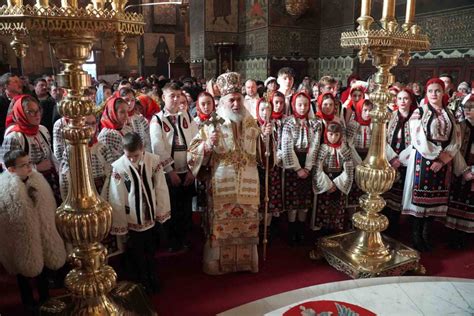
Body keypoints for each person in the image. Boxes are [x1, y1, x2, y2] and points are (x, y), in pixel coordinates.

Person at [187, 72, 265, 274]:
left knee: (248, 224)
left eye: (239, 100)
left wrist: (268, 138)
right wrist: (207, 145)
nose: (236, 104)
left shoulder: (252, 123)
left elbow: (263, 154)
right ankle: (216, 265)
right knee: (220, 227)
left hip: (248, 184)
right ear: (223, 101)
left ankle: (247, 263)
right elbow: (192, 154)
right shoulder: (212, 124)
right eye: (231, 100)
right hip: (223, 185)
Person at [0, 149, 66, 312]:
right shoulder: (5, 190)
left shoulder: (39, 180)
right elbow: (5, 220)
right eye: (23, 165)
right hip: (20, 239)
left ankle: (45, 299)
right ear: (11, 169)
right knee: (23, 273)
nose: (29, 167)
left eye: (29, 163)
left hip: (42, 234)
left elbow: (49, 206)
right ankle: (28, 303)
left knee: (42, 271)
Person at [400, 78, 461, 252]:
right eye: (430, 91)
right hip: (423, 157)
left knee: (436, 199)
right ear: (426, 93)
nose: (434, 94)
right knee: (420, 199)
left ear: (443, 93)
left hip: (444, 160)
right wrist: (435, 155)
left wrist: (443, 160)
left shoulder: (450, 114)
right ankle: (415, 236)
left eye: (438, 91)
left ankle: (426, 235)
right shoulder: (420, 111)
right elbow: (417, 136)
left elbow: (457, 138)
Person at [108, 132, 171, 293]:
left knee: (150, 250)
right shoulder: (119, 167)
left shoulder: (153, 161)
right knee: (137, 252)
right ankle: (142, 279)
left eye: (135, 156)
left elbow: (161, 187)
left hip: (150, 216)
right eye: (128, 156)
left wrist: (161, 211)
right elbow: (117, 198)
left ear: (142, 148)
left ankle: (152, 276)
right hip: (133, 219)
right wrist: (121, 224)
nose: (132, 160)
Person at [150, 82, 198, 252]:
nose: (176, 99)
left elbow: (196, 142)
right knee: (170, 207)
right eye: (172, 96)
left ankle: (184, 238)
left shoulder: (187, 116)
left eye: (179, 96)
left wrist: (193, 169)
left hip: (187, 170)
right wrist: (170, 171)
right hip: (168, 173)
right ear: (164, 98)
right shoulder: (157, 119)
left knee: (185, 207)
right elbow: (158, 147)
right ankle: (171, 241)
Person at [1, 95, 61, 205]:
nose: (37, 115)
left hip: (49, 180)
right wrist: (36, 167)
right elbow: (7, 168)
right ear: (21, 114)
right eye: (31, 112)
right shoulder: (14, 137)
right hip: (27, 186)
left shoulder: (42, 129)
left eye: (38, 110)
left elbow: (50, 154)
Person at [281, 92, 322, 245]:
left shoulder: (315, 123)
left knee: (304, 201)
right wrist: (298, 168)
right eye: (299, 104)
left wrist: (308, 167)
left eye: (306, 104)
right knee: (293, 201)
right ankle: (292, 230)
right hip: (294, 162)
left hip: (308, 162)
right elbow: (287, 146)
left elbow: (315, 146)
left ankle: (301, 229)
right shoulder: (289, 123)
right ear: (294, 105)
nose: (303, 107)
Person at [383, 88, 417, 234]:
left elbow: (418, 141)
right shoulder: (391, 116)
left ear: (411, 100)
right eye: (400, 98)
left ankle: (395, 227)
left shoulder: (416, 117)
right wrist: (392, 157)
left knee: (400, 194)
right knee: (386, 192)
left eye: (406, 98)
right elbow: (383, 138)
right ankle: (384, 225)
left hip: (407, 161)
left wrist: (401, 159)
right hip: (390, 159)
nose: (402, 102)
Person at [312, 122, 353, 234]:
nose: (333, 138)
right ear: (326, 134)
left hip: (339, 181)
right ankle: (322, 232)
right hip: (326, 180)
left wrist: (337, 183)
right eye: (330, 134)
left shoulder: (344, 149)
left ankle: (334, 232)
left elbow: (348, 168)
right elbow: (318, 168)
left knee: (337, 208)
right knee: (323, 208)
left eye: (336, 135)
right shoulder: (323, 148)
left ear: (340, 135)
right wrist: (328, 184)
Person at [446, 95, 474, 249]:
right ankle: (453, 233)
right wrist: (463, 170)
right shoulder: (460, 127)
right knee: (457, 199)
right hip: (460, 169)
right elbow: (455, 149)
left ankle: (465, 235)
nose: (469, 111)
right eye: (466, 108)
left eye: (472, 108)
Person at [256, 97, 284, 242]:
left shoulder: (277, 125)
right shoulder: (252, 126)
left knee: (270, 199)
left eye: (268, 109)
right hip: (258, 169)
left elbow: (281, 145)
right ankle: (258, 229)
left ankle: (267, 228)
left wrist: (276, 156)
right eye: (262, 109)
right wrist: (261, 136)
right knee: (259, 200)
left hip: (272, 167)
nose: (265, 112)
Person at [98, 96, 132, 162]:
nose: (126, 115)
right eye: (122, 112)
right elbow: (112, 162)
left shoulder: (126, 128)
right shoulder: (106, 135)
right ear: (112, 113)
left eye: (127, 112)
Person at [119, 87, 152, 152]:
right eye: (126, 100)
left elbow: (148, 140)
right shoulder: (118, 121)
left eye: (132, 100)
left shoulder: (140, 119)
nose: (129, 103)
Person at [0, 73, 23, 145]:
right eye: (15, 82)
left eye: (19, 81)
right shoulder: (1, 101)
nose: (20, 84)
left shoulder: (25, 100)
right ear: (6, 86)